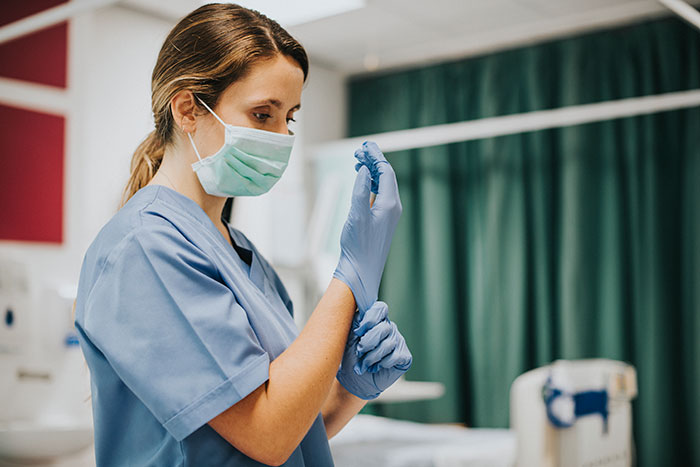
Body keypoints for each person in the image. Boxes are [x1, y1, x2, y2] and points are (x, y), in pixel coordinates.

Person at [73, 3, 411, 466]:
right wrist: (349, 276)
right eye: (262, 114)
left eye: (288, 117)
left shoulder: (246, 257)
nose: (280, 135)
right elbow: (266, 434)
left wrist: (349, 390)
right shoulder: (145, 248)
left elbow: (291, 430)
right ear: (189, 108)